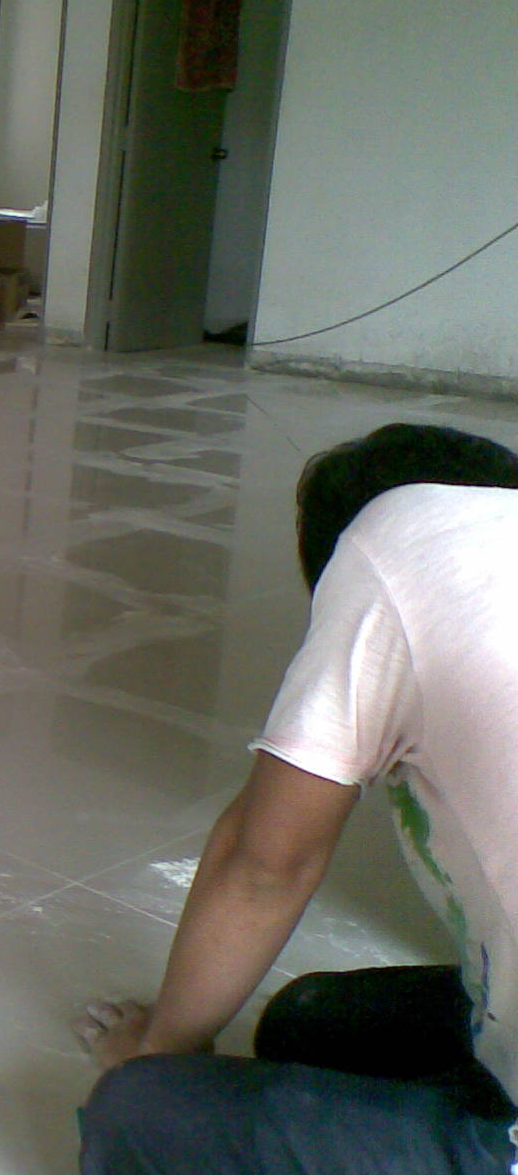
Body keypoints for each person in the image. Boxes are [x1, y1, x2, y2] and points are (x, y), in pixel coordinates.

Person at [76, 422, 518, 1175]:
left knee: (138, 1118)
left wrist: (156, 1057)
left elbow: (267, 864)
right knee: (307, 1025)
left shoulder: (391, 543)